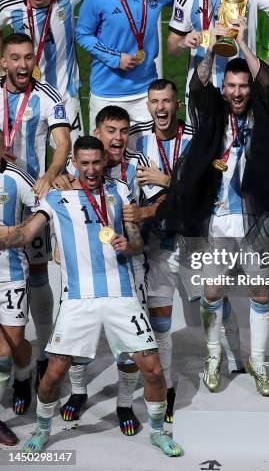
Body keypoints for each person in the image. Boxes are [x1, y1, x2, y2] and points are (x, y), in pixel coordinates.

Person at [0, 135, 183, 457]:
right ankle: (43, 429)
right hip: (78, 301)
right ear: (73, 161)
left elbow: (136, 241)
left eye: (96, 162)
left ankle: (157, 431)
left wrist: (131, 244)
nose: (91, 169)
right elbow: (23, 234)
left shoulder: (120, 191)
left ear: (104, 161)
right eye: (84, 163)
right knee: (53, 375)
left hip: (121, 295)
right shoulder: (56, 197)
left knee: (153, 369)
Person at [158, 18, 269, 397]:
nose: (237, 92)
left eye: (243, 86)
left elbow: (268, 83)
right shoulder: (214, 115)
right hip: (218, 219)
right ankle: (213, 355)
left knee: (261, 293)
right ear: (225, 89)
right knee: (214, 291)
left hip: (257, 219)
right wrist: (214, 44)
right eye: (231, 86)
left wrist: (242, 44)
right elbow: (197, 85)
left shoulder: (264, 116)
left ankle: (259, 362)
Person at [127, 80, 245, 420]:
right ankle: (165, 387)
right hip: (159, 244)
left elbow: (205, 188)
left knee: (216, 300)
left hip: (195, 238)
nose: (161, 108)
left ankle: (236, 359)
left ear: (177, 103)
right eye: (154, 102)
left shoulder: (197, 137)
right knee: (161, 320)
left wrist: (167, 182)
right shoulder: (137, 138)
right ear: (147, 105)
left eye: (166, 100)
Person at [54, 105, 160, 435]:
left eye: (123, 131)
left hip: (128, 264)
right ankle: (79, 392)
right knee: (78, 339)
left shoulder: (139, 166)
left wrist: (142, 213)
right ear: (97, 134)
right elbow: (56, 207)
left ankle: (125, 403)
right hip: (82, 268)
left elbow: (165, 201)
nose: (118, 138)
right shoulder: (74, 170)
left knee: (128, 344)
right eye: (110, 131)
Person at [0, 32, 71, 392]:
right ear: (3, 61)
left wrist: (50, 174)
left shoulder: (48, 97)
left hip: (33, 196)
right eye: (15, 58)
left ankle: (43, 354)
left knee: (39, 276)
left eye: (28, 57)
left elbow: (63, 143)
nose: (22, 65)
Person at [0, 0, 112, 142]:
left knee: (73, 158)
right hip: (27, 94)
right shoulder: (8, 4)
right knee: (28, 160)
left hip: (65, 95)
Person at [76, 0, 177, 131]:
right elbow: (83, 34)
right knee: (105, 158)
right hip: (107, 94)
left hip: (146, 94)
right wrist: (114, 58)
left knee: (148, 158)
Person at [0, 129, 38, 445]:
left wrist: (16, 230)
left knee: (15, 345)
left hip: (11, 273)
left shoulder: (15, 177)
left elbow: (45, 208)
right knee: (0, 352)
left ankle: (24, 376)